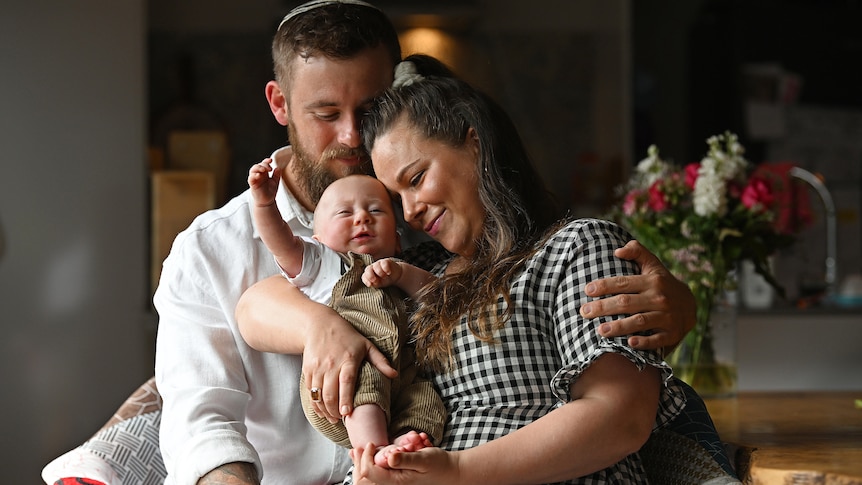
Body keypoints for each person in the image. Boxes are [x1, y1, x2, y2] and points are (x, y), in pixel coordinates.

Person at [154, 1, 699, 484]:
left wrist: (685, 302)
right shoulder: (398, 255)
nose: (350, 137)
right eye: (325, 114)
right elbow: (245, 327)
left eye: (367, 113)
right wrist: (319, 325)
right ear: (280, 105)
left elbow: (620, 412)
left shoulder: (447, 246)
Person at [246, 164, 444, 464]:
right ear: (317, 239)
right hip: (341, 383)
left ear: (397, 240)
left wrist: (401, 273)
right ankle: (372, 450)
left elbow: (437, 297)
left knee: (427, 400)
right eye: (344, 213)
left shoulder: (401, 268)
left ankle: (403, 439)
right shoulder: (324, 264)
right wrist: (264, 203)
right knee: (366, 375)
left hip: (401, 379)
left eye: (376, 211)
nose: (362, 217)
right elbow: (281, 243)